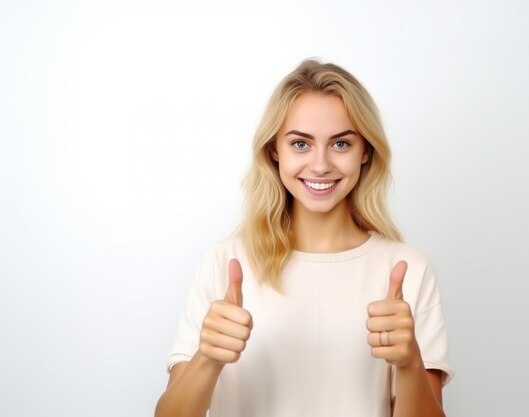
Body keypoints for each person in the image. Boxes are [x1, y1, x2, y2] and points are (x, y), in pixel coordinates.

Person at [155, 59, 453, 417]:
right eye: (301, 144)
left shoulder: (409, 271)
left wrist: (409, 364)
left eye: (341, 144)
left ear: (365, 153)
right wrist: (207, 358)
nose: (321, 164)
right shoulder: (224, 263)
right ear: (274, 151)